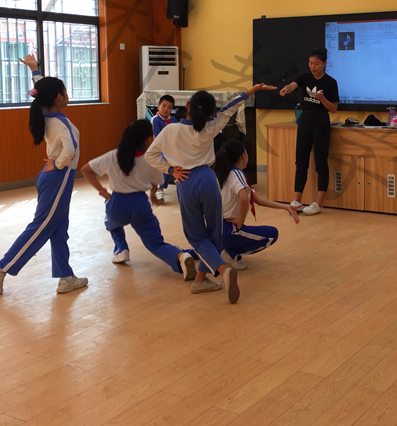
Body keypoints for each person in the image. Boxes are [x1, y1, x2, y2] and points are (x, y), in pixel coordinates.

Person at [145, 84, 275, 304]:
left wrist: (171, 170)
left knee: (197, 237)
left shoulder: (170, 130)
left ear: (187, 105)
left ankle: (223, 271)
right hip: (208, 179)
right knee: (215, 234)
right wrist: (252, 90)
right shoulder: (210, 127)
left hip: (185, 181)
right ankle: (200, 281)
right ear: (208, 114)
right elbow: (229, 109)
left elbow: (150, 156)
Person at [0, 54, 88, 295]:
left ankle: (66, 277)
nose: (67, 95)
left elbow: (42, 90)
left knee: (59, 229)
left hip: (52, 176)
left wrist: (34, 69)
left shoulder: (43, 111)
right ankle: (1, 267)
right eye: (65, 92)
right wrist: (59, 165)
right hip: (59, 177)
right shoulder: (61, 122)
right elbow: (70, 151)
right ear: (59, 97)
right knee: (42, 227)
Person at [80, 119, 199, 279]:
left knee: (112, 224)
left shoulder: (113, 155)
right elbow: (155, 182)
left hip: (117, 203)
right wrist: (152, 194)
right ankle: (181, 256)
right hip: (140, 205)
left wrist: (102, 191)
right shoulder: (151, 159)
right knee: (155, 243)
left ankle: (121, 249)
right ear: (148, 139)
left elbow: (85, 170)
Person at [213, 139, 299, 270]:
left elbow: (258, 200)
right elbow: (244, 198)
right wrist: (240, 220)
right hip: (229, 229)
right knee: (271, 234)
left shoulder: (223, 174)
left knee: (204, 250)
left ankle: (215, 251)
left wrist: (285, 207)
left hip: (216, 228)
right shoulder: (236, 174)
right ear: (243, 155)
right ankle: (230, 254)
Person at [279, 47, 339, 215]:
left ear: (324, 63)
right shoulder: (304, 77)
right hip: (305, 121)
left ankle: (319, 203)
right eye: (310, 63)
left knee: (321, 163)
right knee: (301, 162)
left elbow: (333, 108)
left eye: (316, 64)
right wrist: (286, 89)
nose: (313, 67)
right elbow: (293, 85)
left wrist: (322, 99)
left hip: (321, 123)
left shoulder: (330, 82)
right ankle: (296, 201)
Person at [151, 94, 177, 202]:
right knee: (166, 159)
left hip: (172, 148)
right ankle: (160, 189)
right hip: (159, 148)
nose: (166, 109)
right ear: (158, 106)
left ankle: (180, 179)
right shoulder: (155, 120)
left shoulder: (173, 120)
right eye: (164, 106)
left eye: (169, 107)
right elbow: (158, 138)